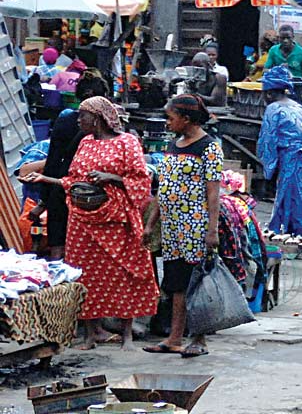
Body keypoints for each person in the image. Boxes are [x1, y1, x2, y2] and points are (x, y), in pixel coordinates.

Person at [20, 97, 156, 349]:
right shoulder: (84, 142)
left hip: (116, 220)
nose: (79, 121)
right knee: (85, 275)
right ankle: (91, 333)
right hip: (82, 221)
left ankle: (126, 333)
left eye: (83, 116)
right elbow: (73, 179)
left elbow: (140, 180)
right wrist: (45, 179)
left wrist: (110, 177)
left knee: (123, 273)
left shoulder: (127, 142)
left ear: (98, 117)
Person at [145, 94, 223, 358]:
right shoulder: (174, 145)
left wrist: (212, 230)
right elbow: (162, 189)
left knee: (197, 283)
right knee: (176, 282)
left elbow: (214, 193)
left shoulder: (209, 147)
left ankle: (199, 338)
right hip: (173, 228)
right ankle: (175, 338)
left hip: (196, 228)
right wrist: (151, 224)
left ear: (186, 119)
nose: (167, 123)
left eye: (170, 118)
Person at [30, 71, 110, 260]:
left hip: (62, 189)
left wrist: (43, 201)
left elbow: (53, 163)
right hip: (94, 197)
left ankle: (63, 286)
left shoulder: (66, 121)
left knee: (59, 245)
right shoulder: (112, 129)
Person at [256, 66, 302, 237]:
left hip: (296, 157)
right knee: (292, 195)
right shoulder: (299, 107)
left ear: (269, 93)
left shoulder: (273, 109)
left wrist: (268, 171)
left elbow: (268, 141)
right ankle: (290, 234)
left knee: (296, 199)